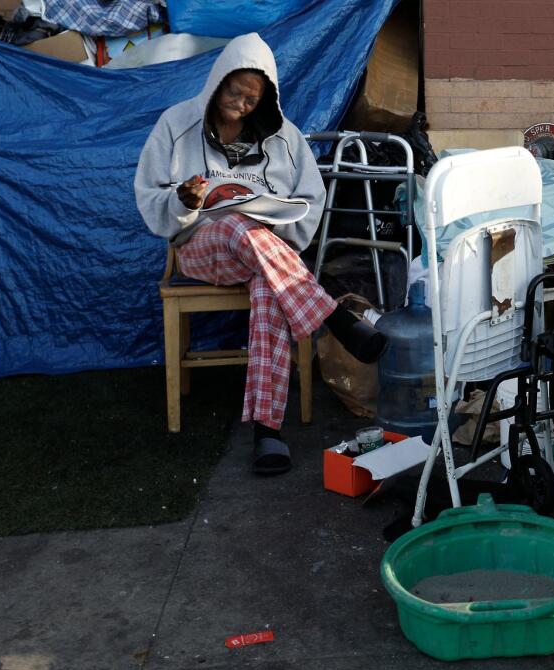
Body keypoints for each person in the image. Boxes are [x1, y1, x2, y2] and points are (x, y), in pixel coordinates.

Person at [135, 33, 385, 475]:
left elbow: (309, 197)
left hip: (267, 257)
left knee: (269, 289)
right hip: (201, 247)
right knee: (234, 224)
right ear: (217, 82)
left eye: (253, 99)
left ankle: (268, 433)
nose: (242, 104)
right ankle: (332, 316)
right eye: (235, 92)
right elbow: (150, 195)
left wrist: (279, 224)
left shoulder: (285, 137)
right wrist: (186, 203)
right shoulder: (176, 124)